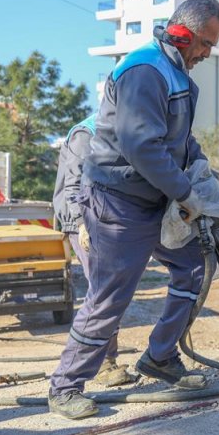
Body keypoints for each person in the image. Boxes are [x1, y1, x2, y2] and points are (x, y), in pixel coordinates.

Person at [48, 0, 219, 419]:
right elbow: (142, 146)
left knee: (194, 266)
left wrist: (201, 170)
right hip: (119, 203)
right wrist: (186, 193)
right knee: (111, 295)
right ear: (183, 34)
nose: (207, 53)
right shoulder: (146, 69)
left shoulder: (174, 72)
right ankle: (65, 387)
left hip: (152, 200)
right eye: (206, 44)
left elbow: (178, 140)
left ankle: (160, 356)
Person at [52, 113, 137, 387]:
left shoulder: (118, 130)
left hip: (102, 217)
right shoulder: (85, 133)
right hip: (82, 221)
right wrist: (81, 223)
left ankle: (105, 360)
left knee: (109, 289)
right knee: (102, 292)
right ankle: (102, 365)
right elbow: (73, 184)